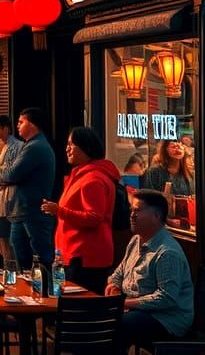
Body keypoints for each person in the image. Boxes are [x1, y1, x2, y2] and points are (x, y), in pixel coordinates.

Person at [106, 190, 194, 353]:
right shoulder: (135, 240)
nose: (132, 215)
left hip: (167, 319)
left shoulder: (167, 252)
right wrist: (114, 288)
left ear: (156, 216)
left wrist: (123, 303)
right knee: (103, 318)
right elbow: (118, 273)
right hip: (139, 310)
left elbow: (166, 298)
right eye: (131, 210)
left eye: (138, 210)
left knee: (117, 324)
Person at [40, 126, 119, 294]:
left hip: (85, 257)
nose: (67, 149)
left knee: (80, 305)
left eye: (71, 144)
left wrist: (59, 211)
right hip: (73, 253)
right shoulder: (81, 175)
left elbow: (94, 217)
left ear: (86, 148)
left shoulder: (93, 179)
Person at [0, 107, 56, 270]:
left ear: (33, 125)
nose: (17, 126)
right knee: (21, 263)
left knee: (39, 262)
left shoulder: (35, 147)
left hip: (32, 212)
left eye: (21, 122)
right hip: (20, 212)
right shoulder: (30, 145)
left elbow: (12, 173)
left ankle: (42, 293)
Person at [0, 115, 23, 267]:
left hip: (10, 195)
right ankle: (8, 266)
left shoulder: (16, 146)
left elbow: (9, 172)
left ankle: (12, 267)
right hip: (1, 193)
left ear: (6, 129)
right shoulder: (3, 145)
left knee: (4, 235)